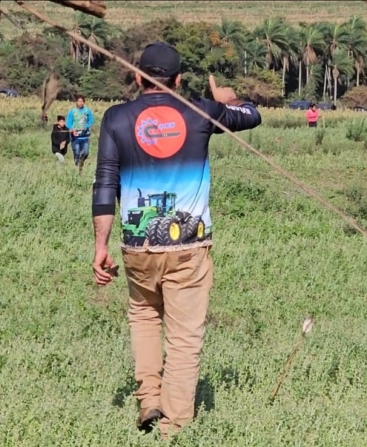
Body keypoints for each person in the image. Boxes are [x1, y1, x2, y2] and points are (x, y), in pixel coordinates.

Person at [90, 42, 262, 440]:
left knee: (145, 318)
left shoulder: (116, 118)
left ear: (137, 76)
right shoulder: (201, 111)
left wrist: (101, 245)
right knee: (184, 339)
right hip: (189, 246)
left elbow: (104, 183)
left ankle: (149, 397)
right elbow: (251, 116)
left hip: (136, 246)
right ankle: (174, 426)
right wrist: (228, 98)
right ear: (179, 79)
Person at [65, 94, 94, 174]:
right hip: (75, 137)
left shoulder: (87, 111)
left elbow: (91, 121)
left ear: (84, 102)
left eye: (82, 101)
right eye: (79, 101)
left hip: (85, 136)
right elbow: (68, 123)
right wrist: (72, 128)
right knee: (77, 152)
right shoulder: (72, 111)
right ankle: (77, 165)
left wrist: (86, 126)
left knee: (86, 152)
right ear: (76, 102)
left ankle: (81, 162)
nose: (80, 103)